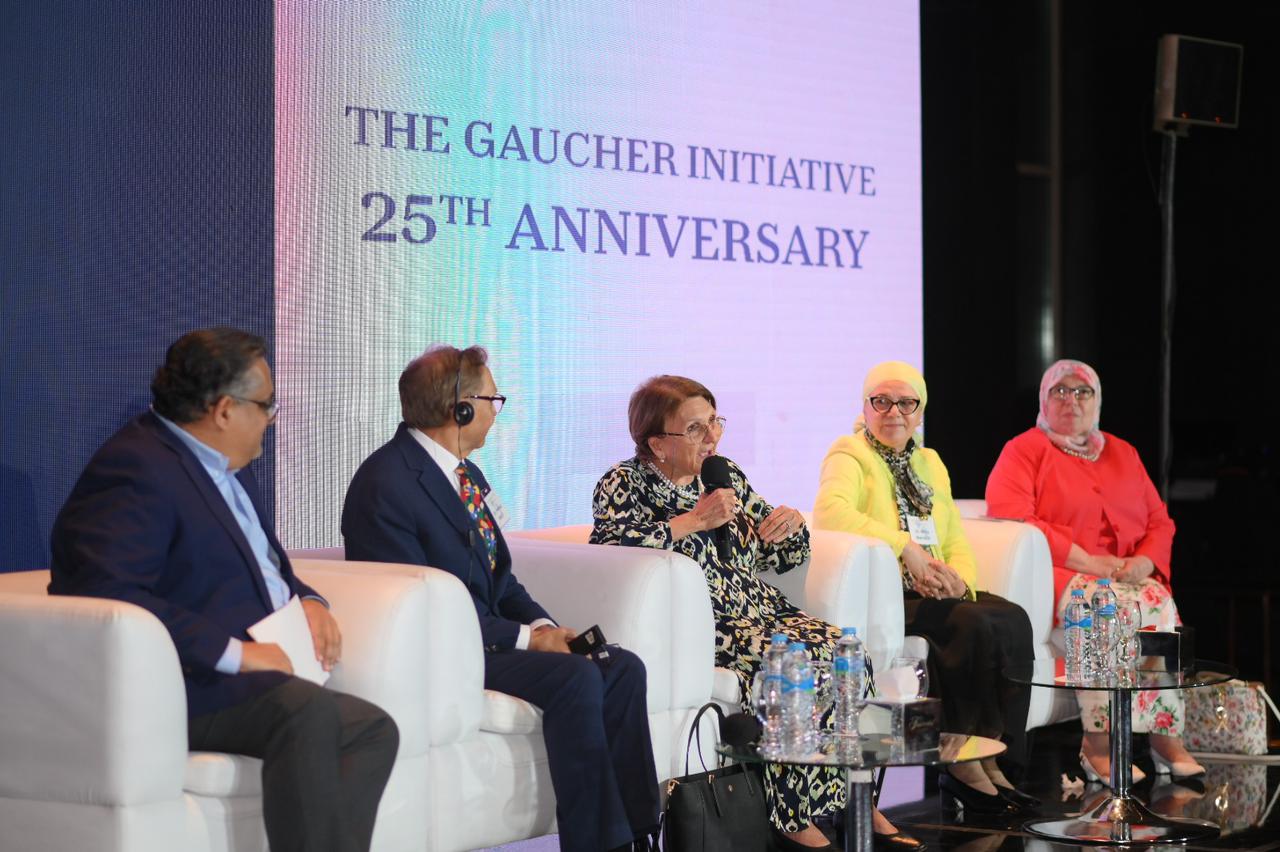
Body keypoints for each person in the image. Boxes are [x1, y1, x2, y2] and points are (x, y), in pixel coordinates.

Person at [49, 328, 399, 852]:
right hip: (185, 681)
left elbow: (261, 564)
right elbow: (106, 592)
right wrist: (237, 654)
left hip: (245, 674)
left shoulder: (223, 462)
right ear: (224, 410)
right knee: (308, 711)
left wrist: (308, 600)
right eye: (266, 405)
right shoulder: (136, 469)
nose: (272, 419)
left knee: (372, 729)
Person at [342, 345, 660, 852]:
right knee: (575, 677)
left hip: (488, 638)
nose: (497, 410)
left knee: (619, 666)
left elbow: (501, 580)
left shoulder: (466, 475)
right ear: (461, 408)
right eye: (493, 399)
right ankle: (600, 844)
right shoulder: (387, 483)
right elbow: (421, 611)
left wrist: (545, 628)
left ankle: (641, 834)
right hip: (442, 648)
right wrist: (527, 641)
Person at [590, 375, 925, 852]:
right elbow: (608, 550)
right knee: (795, 663)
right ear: (657, 444)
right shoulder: (624, 482)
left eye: (715, 422)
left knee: (847, 653)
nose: (712, 437)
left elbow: (778, 557)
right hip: (703, 623)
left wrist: (790, 529)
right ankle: (792, 818)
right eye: (695, 428)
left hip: (760, 607)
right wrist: (692, 522)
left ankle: (858, 798)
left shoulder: (723, 473)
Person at [813, 361, 1038, 818]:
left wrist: (960, 579)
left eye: (906, 403)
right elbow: (831, 513)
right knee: (970, 625)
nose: (893, 412)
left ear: (920, 410)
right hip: (889, 594)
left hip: (933, 587)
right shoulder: (849, 453)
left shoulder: (929, 461)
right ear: (866, 407)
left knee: (1013, 618)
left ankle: (996, 755)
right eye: (881, 401)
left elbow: (954, 535)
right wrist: (905, 547)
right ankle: (961, 761)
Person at [985, 358, 1204, 781]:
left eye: (1082, 391)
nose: (1072, 400)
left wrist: (1143, 562)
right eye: (1060, 391)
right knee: (1104, 607)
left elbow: (1159, 522)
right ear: (1044, 400)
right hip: (1062, 573)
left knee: (1157, 600)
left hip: (1123, 573)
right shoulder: (1024, 450)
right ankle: (1098, 744)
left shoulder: (1122, 452)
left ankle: (1164, 735)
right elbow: (1013, 518)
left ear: (1097, 400)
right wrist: (1087, 562)